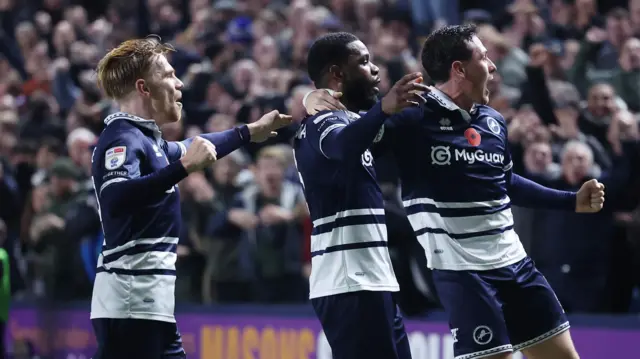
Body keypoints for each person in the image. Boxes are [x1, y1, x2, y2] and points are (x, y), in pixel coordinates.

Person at [304, 25, 606, 359]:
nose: (492, 67)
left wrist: (570, 200)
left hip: (517, 265)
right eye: (484, 57)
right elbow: (351, 136)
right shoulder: (411, 117)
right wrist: (320, 97)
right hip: (465, 275)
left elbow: (504, 182)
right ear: (459, 69)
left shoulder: (493, 121)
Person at [90, 36, 292, 359]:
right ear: (144, 88)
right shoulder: (123, 139)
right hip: (129, 305)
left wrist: (249, 131)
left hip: (148, 305)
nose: (178, 82)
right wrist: (183, 168)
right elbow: (116, 198)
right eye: (169, 75)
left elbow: (200, 145)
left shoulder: (146, 141)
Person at [293, 32, 429, 359]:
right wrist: (383, 108)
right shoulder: (322, 122)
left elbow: (388, 130)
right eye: (365, 63)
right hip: (349, 283)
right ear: (337, 74)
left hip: (371, 281)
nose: (376, 71)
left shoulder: (349, 122)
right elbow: (342, 145)